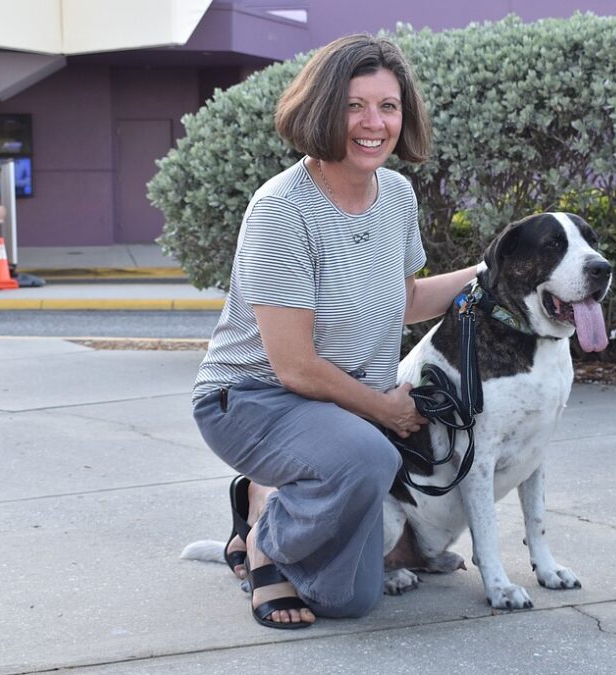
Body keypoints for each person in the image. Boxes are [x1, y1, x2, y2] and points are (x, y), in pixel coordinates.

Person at [191, 34, 479, 629]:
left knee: (348, 601)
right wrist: (387, 411)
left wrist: (485, 271)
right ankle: (266, 534)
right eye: (355, 105)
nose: (374, 123)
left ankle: (267, 495)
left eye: (389, 107)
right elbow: (294, 366)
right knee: (368, 456)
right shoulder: (282, 207)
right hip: (252, 399)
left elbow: (400, 302)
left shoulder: (397, 195)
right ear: (323, 109)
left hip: (338, 414)